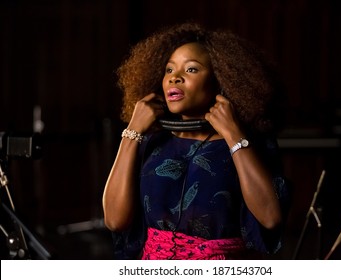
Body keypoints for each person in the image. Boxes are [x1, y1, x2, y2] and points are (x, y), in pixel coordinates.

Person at [102, 22, 290, 260]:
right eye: (169, 70)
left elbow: (271, 217)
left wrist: (233, 135)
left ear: (220, 80)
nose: (174, 78)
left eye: (191, 69)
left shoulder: (248, 143)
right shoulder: (149, 140)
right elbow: (114, 220)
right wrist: (132, 131)